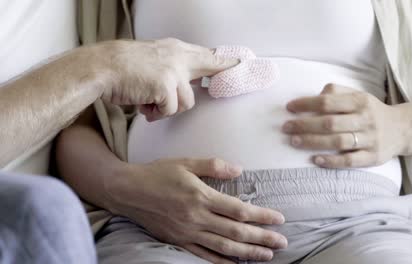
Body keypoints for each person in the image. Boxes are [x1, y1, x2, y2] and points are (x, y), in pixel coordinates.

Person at [55, 1, 412, 263]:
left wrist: (400, 127)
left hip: (356, 226)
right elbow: (74, 123)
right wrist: (122, 188)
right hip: (162, 229)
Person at [0, 1, 246, 263]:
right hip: (144, 231)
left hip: (293, 227)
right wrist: (105, 64)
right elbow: (83, 123)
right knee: (43, 210)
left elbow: (79, 118)